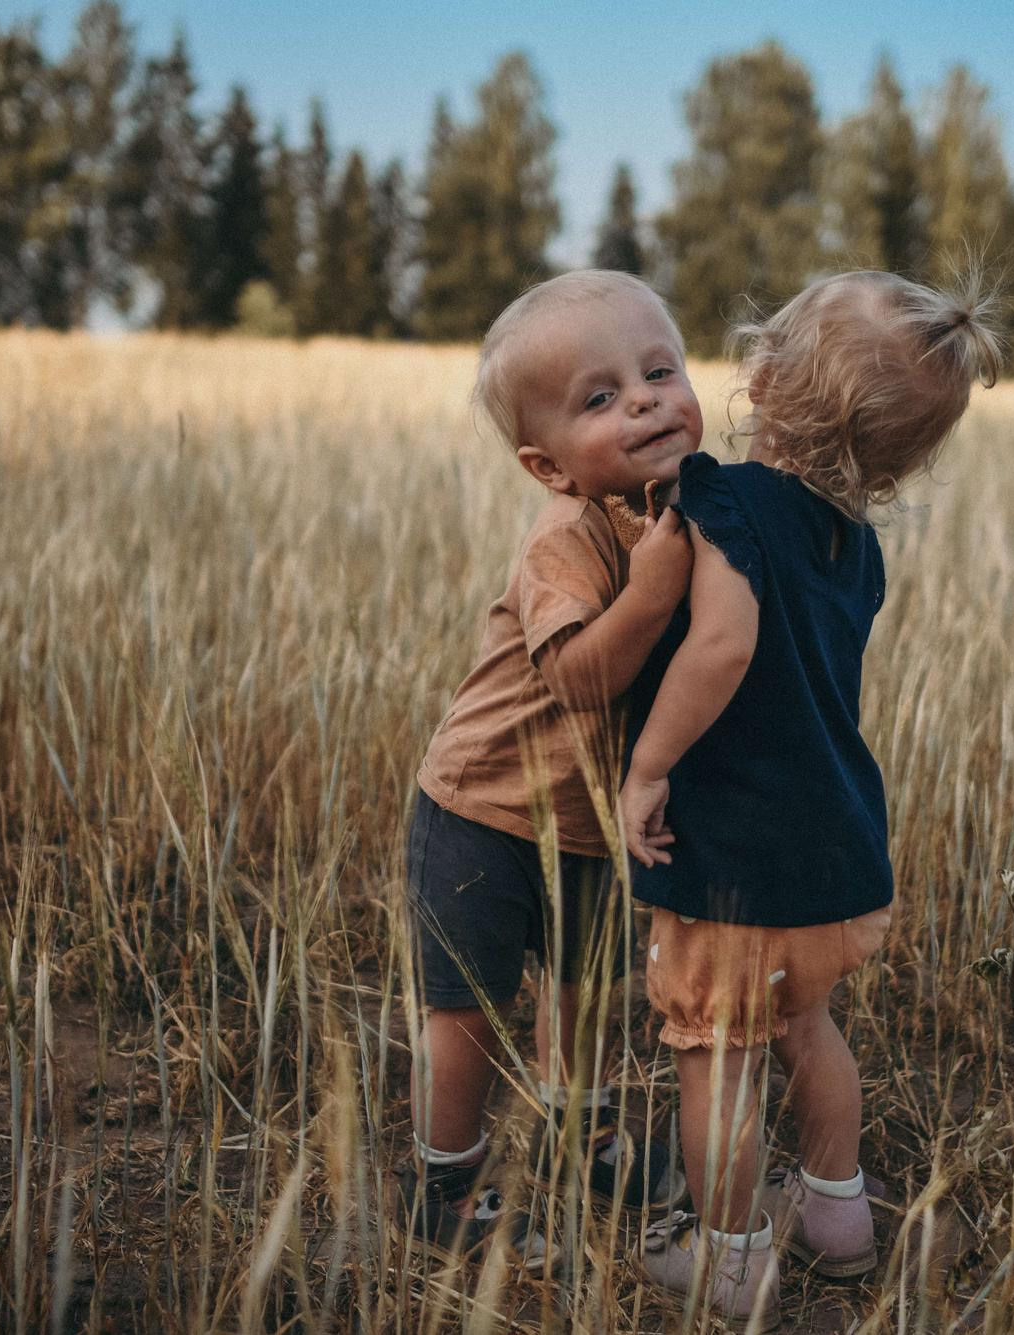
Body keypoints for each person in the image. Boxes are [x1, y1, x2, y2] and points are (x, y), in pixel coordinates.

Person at [619, 270, 1006, 1324]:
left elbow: (723, 643)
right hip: (839, 858)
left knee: (717, 1058)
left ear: (767, 378)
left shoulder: (724, 498)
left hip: (738, 862)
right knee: (809, 1029)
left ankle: (732, 1260)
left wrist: (647, 765)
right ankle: (838, 1222)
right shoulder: (856, 545)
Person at [401, 270, 698, 1266]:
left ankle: (585, 1136)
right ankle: (447, 1181)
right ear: (548, 466)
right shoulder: (563, 539)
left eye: (659, 371)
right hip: (481, 811)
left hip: (583, 822)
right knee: (471, 1010)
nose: (646, 399)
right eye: (601, 398)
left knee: (583, 986)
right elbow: (576, 677)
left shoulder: (680, 508)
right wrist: (653, 595)